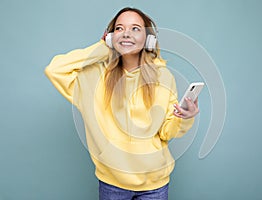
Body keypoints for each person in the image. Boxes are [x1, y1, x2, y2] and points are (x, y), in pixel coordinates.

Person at [45, 7, 199, 200]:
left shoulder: (163, 77)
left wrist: (183, 117)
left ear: (149, 38)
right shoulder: (93, 78)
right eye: (119, 28)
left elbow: (168, 132)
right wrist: (102, 48)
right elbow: (55, 69)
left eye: (135, 28)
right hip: (112, 184)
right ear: (110, 37)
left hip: (155, 185)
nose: (126, 33)